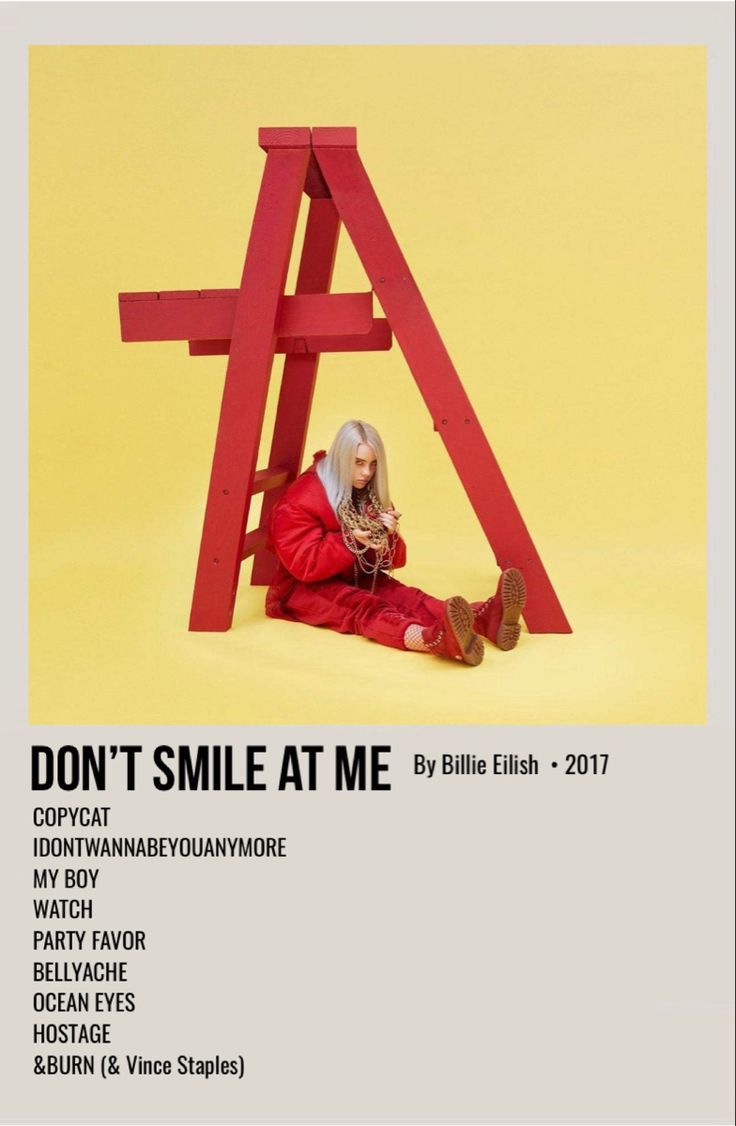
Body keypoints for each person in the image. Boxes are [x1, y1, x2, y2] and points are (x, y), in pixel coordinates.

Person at [265, 420, 526, 666]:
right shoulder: (300, 500)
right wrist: (350, 540)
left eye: (373, 464)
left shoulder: (366, 494)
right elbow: (304, 566)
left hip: (354, 574)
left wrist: (387, 536)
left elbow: (395, 562)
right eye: (358, 463)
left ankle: (483, 619)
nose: (366, 473)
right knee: (364, 608)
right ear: (341, 460)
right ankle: (432, 639)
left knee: (408, 598)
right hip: (301, 590)